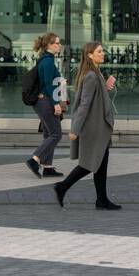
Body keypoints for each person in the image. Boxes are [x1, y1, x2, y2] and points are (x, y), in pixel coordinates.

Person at [54, 41, 121, 211]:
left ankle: (101, 200)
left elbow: (95, 98)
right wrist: (75, 129)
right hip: (94, 128)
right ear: (90, 55)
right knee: (89, 164)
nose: (103, 53)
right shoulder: (91, 75)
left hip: (99, 127)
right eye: (99, 51)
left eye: (102, 51)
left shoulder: (95, 73)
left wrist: (105, 87)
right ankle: (62, 187)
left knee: (100, 163)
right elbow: (84, 104)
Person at [25, 32, 65, 180]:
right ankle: (35, 159)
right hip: (46, 101)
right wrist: (56, 104)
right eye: (57, 43)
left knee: (49, 134)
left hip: (43, 101)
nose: (59, 45)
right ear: (48, 45)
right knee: (56, 134)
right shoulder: (47, 62)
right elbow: (49, 84)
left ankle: (47, 167)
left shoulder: (46, 60)